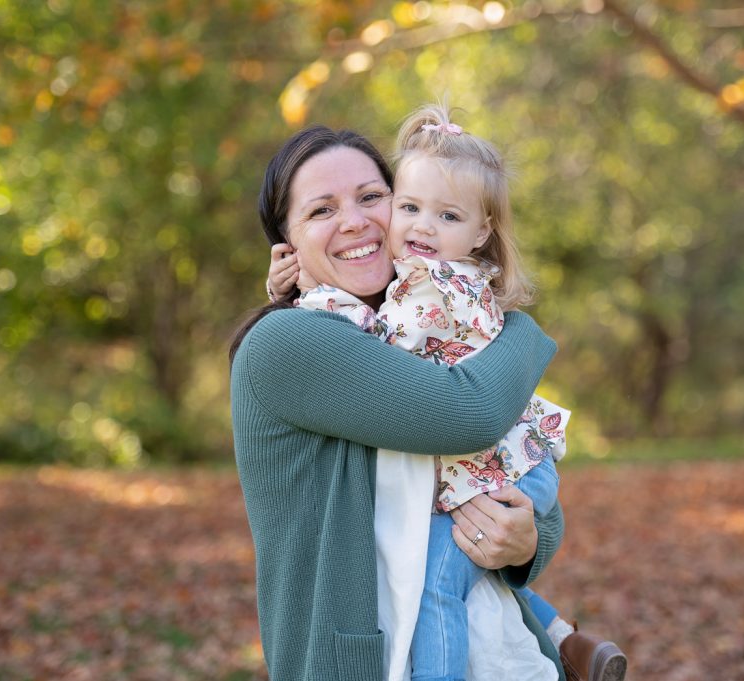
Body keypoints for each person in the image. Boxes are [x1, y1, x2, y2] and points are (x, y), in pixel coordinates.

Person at [265, 113, 628, 681]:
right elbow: (471, 414)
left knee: (444, 574)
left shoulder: (425, 291)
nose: (356, 221)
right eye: (321, 210)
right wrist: (524, 335)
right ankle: (565, 637)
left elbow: (517, 512)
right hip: (355, 657)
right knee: (441, 578)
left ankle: (560, 637)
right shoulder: (288, 339)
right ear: (285, 243)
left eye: (372, 197)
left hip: (487, 590)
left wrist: (527, 542)